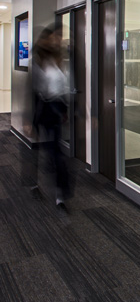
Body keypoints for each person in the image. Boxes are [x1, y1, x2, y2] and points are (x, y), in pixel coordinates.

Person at [29, 25, 73, 211]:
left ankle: (60, 195)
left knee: (55, 153)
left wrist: (65, 110)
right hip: (42, 108)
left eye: (60, 37)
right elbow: (34, 91)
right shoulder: (38, 60)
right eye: (56, 36)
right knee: (39, 150)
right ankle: (35, 183)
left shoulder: (61, 59)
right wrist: (30, 119)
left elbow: (64, 87)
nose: (59, 40)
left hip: (55, 109)